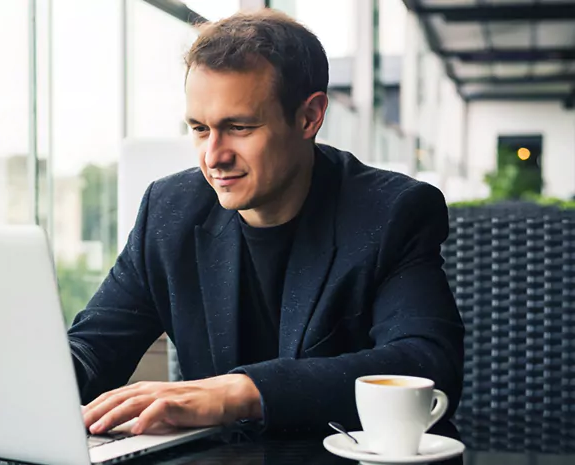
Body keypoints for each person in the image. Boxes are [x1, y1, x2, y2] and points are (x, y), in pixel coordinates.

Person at [68, 9, 464, 438]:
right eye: (200, 129)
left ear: (309, 117)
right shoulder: (169, 210)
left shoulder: (392, 212)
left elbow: (426, 364)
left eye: (238, 127)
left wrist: (244, 391)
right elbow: (92, 349)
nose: (213, 156)